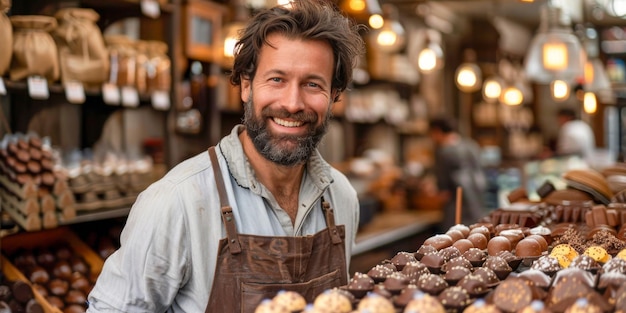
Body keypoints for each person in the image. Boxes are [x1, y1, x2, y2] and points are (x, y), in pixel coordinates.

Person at [86, 2, 365, 312]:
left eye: (312, 84)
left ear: (334, 97)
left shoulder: (341, 197)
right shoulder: (177, 200)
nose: (292, 102)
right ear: (246, 86)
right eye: (277, 79)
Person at [428, 116, 487, 231]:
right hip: (478, 210)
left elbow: (443, 193)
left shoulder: (443, 152)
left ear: (437, 131)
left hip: (456, 214)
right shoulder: (471, 146)